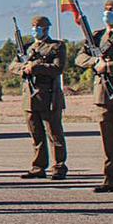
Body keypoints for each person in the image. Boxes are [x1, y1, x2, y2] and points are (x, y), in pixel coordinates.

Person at [74, 0, 113, 194]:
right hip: (102, 94)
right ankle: (111, 179)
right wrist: (95, 62)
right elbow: (80, 58)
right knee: (108, 140)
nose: (108, 14)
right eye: (106, 10)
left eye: (112, 11)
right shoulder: (96, 36)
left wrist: (108, 66)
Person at [19, 15, 68, 180]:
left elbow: (57, 68)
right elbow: (13, 65)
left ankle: (59, 166)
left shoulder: (56, 46)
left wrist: (36, 67)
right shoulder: (26, 48)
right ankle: (38, 166)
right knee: (36, 134)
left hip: (48, 96)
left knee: (54, 133)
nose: (35, 29)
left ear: (46, 28)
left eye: (38, 27)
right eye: (33, 26)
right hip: (30, 98)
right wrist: (23, 68)